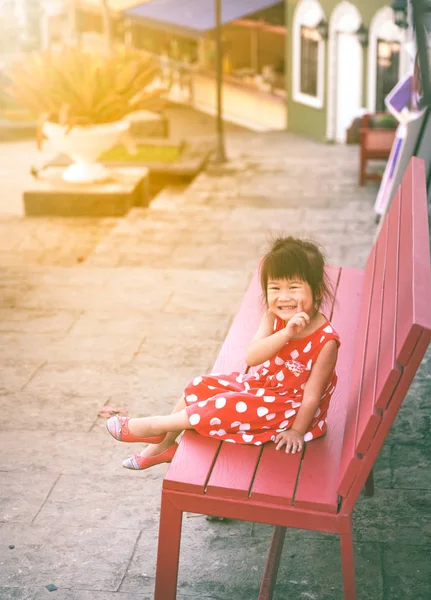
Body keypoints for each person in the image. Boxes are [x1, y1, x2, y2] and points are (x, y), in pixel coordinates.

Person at [107, 236, 340, 470]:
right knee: (201, 386)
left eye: (294, 287)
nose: (284, 297)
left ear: (317, 291)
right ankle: (162, 446)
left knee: (224, 405)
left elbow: (311, 396)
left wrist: (296, 432)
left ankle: (155, 426)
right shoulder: (274, 317)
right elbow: (252, 357)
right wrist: (286, 333)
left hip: (291, 411)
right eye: (275, 288)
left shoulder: (325, 341)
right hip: (265, 388)